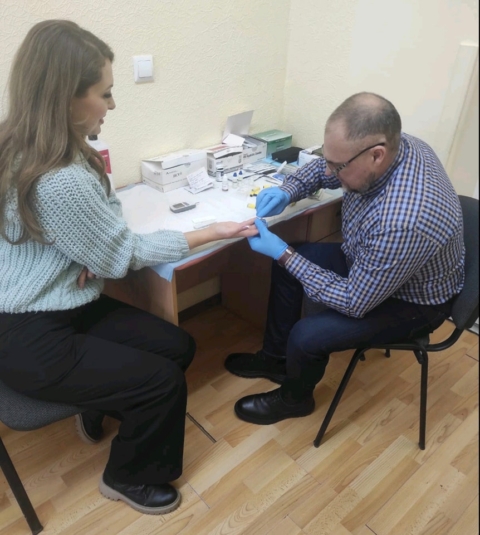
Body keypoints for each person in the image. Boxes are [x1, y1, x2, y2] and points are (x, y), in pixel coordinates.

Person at [0, 20, 258, 515]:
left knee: (177, 346)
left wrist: (84, 253)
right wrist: (213, 231)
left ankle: (97, 403)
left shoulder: (24, 145)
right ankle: (127, 477)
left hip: (56, 306)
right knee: (162, 382)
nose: (112, 105)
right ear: (67, 98)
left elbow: (88, 241)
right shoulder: (61, 177)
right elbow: (121, 255)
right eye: (105, 93)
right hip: (30, 334)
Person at [225, 92, 465, 425]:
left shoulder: (405, 220)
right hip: (372, 260)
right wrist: (288, 189)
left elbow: (355, 301)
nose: (329, 170)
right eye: (328, 158)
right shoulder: (393, 145)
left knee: (307, 336)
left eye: (337, 166)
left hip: (412, 301)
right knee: (288, 268)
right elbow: (328, 169)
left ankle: (295, 399)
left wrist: (283, 252)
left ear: (377, 155)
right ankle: (275, 359)